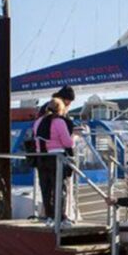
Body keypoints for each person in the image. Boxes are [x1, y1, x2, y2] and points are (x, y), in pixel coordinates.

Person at [32, 97, 75, 226]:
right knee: (59, 188)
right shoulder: (59, 122)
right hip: (56, 157)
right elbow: (67, 142)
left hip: (41, 158)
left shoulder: (38, 122)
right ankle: (60, 217)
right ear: (60, 109)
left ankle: (49, 216)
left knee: (45, 188)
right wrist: (74, 137)